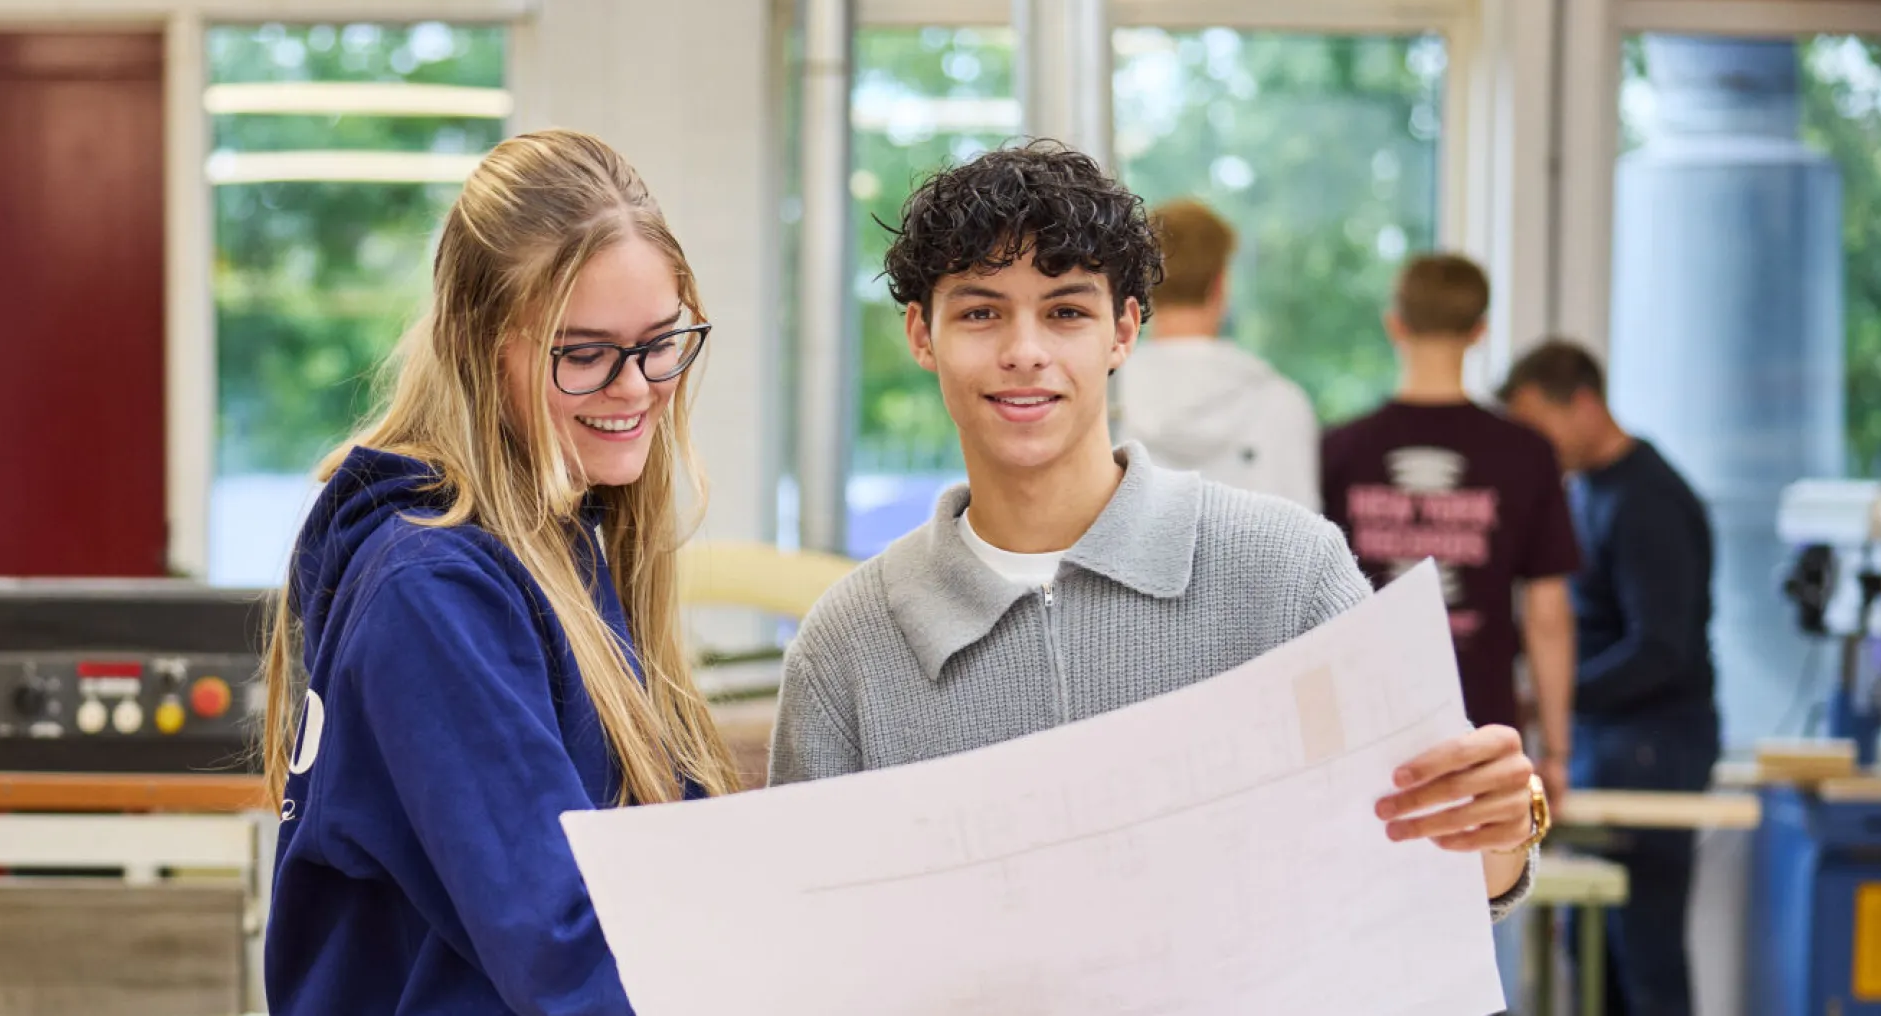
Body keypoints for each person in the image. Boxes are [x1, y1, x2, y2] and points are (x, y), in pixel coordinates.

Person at [769, 141, 1541, 923]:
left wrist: (1503, 831)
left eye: (1067, 312)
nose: (1025, 352)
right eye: (980, 313)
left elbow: (1436, 867)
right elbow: (806, 940)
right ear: (921, 335)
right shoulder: (848, 645)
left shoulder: (1287, 572)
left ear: (1124, 331)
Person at [259, 129, 738, 1014]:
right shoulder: (434, 592)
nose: (634, 388)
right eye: (583, 353)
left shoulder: (560, 542)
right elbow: (566, 952)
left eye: (660, 343)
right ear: (485, 348)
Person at [1502, 339, 1719, 1016]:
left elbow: (1662, 649)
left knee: (1645, 957)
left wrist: (1551, 700)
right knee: (1593, 958)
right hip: (1608, 740)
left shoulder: (1646, 500)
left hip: (1654, 747)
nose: (1532, 445)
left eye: (1538, 423)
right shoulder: (1586, 493)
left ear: (1586, 404)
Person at [1320, 254, 1579, 809]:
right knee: (1487, 892)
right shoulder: (1526, 454)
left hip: (1362, 723)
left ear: (1396, 325)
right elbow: (1548, 616)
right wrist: (1555, 752)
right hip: (1480, 727)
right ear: (1480, 332)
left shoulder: (1339, 450)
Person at [1121, 198, 1320, 510]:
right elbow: (1307, 543)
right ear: (1220, 286)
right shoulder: (1282, 404)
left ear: (1143, 288)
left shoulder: (1103, 401)